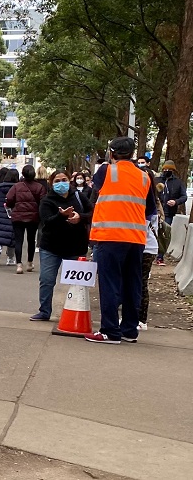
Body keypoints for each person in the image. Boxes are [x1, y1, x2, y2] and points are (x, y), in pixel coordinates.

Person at [86, 136, 157, 344]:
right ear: (133, 154)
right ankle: (129, 330)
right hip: (136, 238)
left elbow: (96, 191)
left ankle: (109, 331)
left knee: (110, 283)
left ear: (112, 153)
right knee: (132, 284)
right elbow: (150, 209)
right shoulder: (144, 176)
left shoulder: (106, 171)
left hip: (110, 236)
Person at [31, 171, 92, 321]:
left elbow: (93, 212)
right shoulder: (46, 200)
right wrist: (61, 216)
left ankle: (76, 313)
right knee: (47, 280)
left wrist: (80, 218)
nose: (61, 183)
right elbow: (46, 221)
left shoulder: (78, 196)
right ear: (51, 183)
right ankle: (44, 311)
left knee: (78, 283)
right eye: (57, 180)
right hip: (51, 247)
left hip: (76, 247)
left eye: (64, 179)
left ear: (69, 180)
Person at [5, 164, 46, 274]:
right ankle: (29, 263)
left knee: (18, 240)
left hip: (18, 216)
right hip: (33, 217)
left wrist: (13, 206)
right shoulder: (39, 187)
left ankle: (19, 264)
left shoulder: (17, 186)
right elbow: (43, 202)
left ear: (22, 174)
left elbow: (9, 199)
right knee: (31, 240)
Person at [158, 160, 187, 226]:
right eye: (165, 169)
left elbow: (184, 197)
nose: (166, 171)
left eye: (169, 169)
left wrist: (175, 202)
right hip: (157, 212)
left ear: (173, 170)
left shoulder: (178, 182)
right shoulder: (157, 180)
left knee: (165, 232)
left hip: (169, 213)